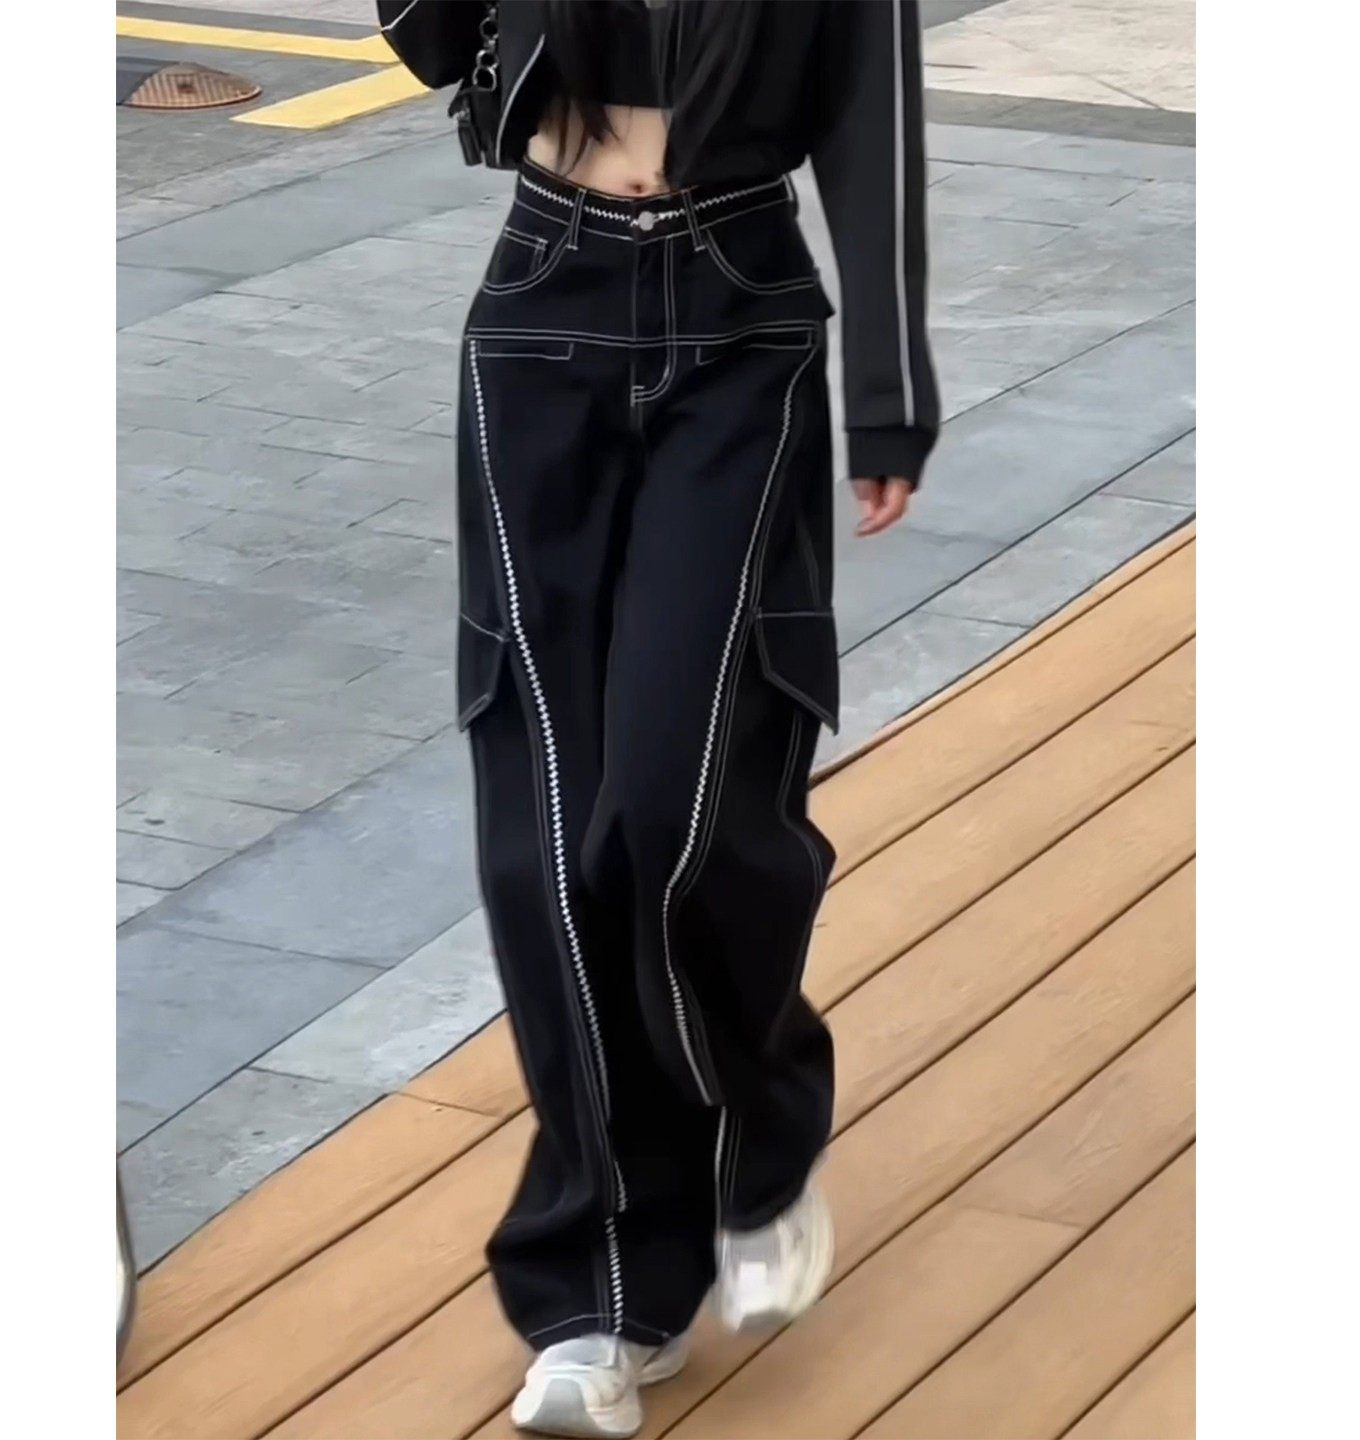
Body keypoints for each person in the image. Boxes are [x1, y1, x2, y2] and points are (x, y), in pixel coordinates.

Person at [380, 2, 938, 1434]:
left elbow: (869, 112)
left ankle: (760, 1122)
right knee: (550, 843)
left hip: (740, 316)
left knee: (680, 809)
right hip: (544, 302)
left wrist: (888, 394)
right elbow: (434, 44)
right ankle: (601, 1302)